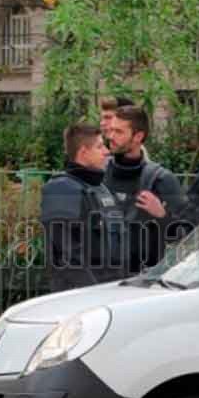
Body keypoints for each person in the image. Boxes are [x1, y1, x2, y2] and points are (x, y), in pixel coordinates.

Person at [41, 124, 128, 292]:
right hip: (80, 296)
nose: (107, 151)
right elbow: (68, 256)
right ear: (83, 152)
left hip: (110, 291)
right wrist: (93, 294)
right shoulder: (62, 189)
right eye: (99, 146)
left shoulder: (100, 189)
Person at [104, 106, 186, 273]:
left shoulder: (161, 179)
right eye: (110, 130)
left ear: (138, 136)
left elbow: (185, 235)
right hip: (100, 274)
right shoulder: (97, 173)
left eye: (119, 132)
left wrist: (162, 216)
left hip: (143, 277)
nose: (110, 136)